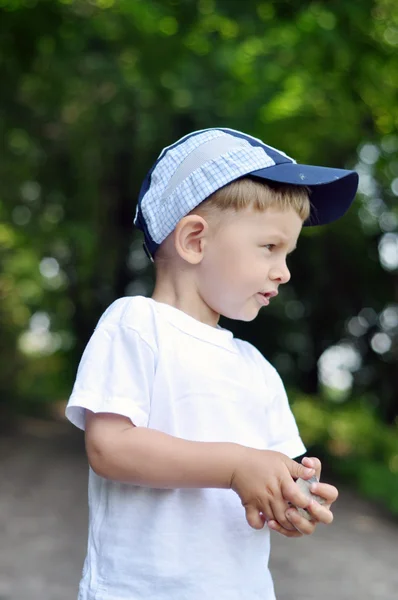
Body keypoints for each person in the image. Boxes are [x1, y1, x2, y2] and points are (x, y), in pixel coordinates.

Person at [65, 127, 359, 600]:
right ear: (195, 240)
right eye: (270, 247)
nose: (284, 271)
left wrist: (292, 498)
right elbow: (109, 448)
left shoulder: (255, 366)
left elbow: (269, 469)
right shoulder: (136, 324)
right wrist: (234, 465)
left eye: (288, 254)